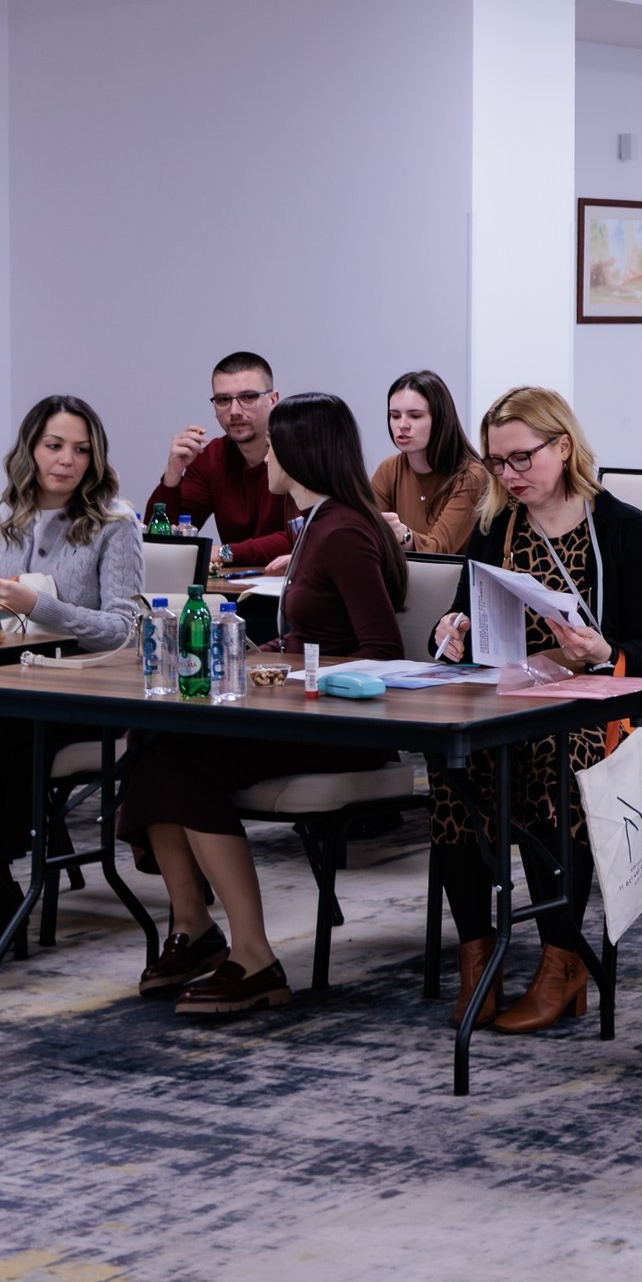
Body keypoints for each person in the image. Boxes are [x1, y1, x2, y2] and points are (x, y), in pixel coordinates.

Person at [120, 394, 407, 1016]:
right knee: (155, 751)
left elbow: (381, 650)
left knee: (189, 764)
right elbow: (311, 637)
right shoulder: (313, 526)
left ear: (301, 453)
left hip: (346, 725)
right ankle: (194, 930)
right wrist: (271, 654)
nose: (265, 457)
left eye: (275, 446)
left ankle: (254, 958)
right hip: (301, 710)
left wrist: (284, 670)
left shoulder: (345, 531)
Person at [429, 387, 642, 1034]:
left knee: (549, 755)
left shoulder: (624, 527)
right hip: (516, 701)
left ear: (563, 446)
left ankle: (561, 959)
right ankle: (477, 955)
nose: (509, 475)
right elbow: (468, 624)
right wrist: (451, 631)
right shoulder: (494, 527)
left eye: (522, 458)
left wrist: (602, 648)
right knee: (448, 763)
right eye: (497, 462)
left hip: (614, 711)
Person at [0, 396, 146, 946]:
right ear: (31, 447)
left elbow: (125, 630)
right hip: (1, 685)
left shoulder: (116, 523)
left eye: (81, 449)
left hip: (80, 698)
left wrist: (38, 606)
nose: (67, 461)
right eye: (54, 446)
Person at [145, 350, 297, 573]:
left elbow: (302, 536)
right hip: (233, 591)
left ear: (273, 400)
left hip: (292, 589)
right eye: (223, 400)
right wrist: (173, 474)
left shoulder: (299, 452)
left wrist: (223, 552)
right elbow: (161, 542)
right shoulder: (212, 457)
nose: (234, 411)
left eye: (248, 397)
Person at [370, 371, 486, 555]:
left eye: (415, 416)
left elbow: (439, 550)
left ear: (440, 420)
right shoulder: (389, 468)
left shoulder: (471, 476)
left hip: (449, 583)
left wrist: (403, 535)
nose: (402, 425)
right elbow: (366, 537)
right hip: (400, 579)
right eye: (395, 415)